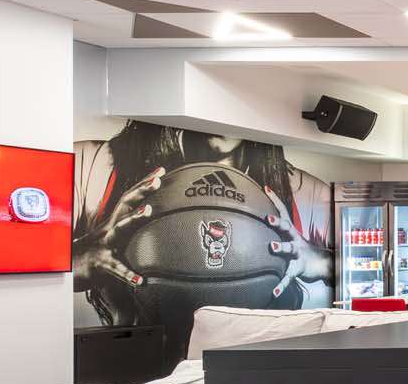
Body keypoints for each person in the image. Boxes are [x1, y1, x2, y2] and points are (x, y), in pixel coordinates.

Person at [73, 122, 333, 356]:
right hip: (136, 372)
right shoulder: (95, 167)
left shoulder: (300, 192)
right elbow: (34, 270)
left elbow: (369, 265)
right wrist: (80, 258)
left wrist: (321, 261)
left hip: (254, 371)